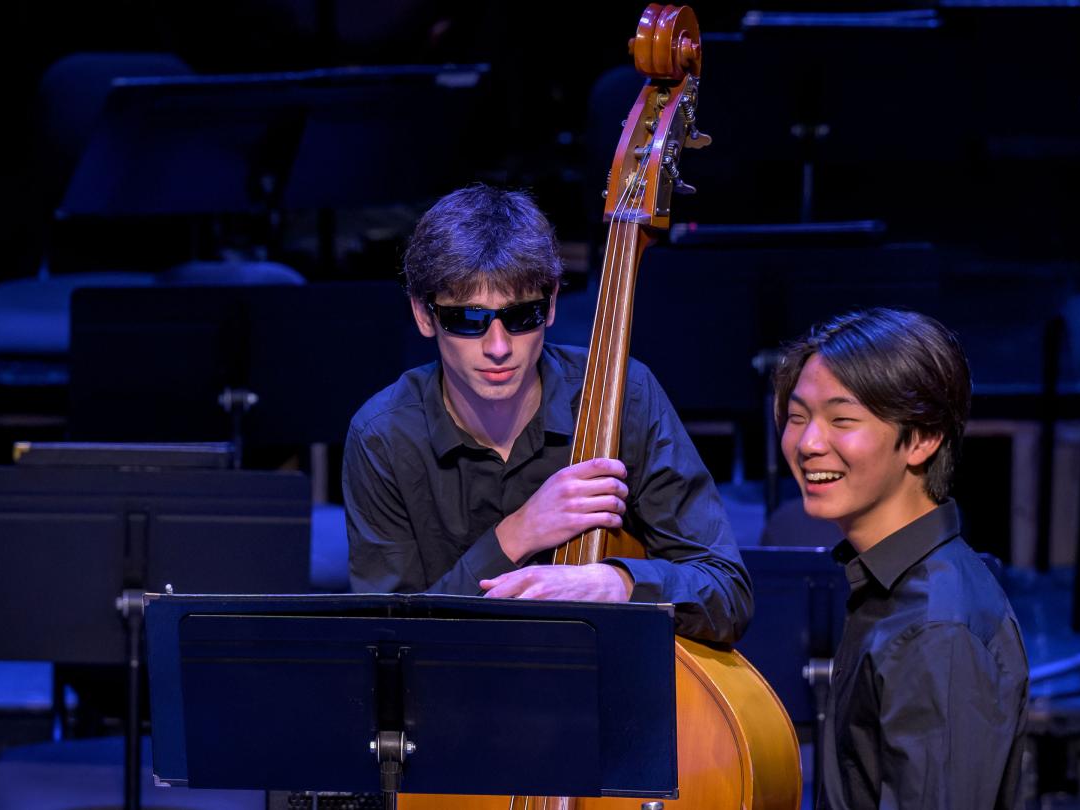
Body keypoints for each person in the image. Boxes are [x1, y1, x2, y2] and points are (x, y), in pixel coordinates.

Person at [343, 184, 751, 644]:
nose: (498, 348)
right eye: (467, 321)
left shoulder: (626, 396)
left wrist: (615, 584)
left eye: (522, 316)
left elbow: (727, 593)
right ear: (423, 314)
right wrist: (514, 537)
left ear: (552, 303)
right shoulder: (383, 434)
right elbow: (390, 644)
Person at [774, 308, 1029, 810]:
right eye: (798, 417)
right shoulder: (893, 588)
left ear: (922, 438)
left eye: (842, 420)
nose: (807, 444)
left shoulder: (935, 628)